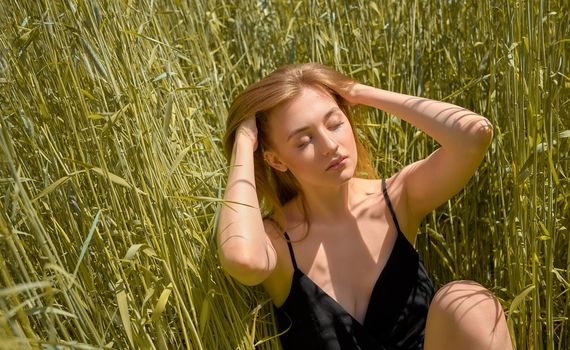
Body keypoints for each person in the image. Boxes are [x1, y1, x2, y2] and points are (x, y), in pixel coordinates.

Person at [217, 63, 513, 350]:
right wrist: (245, 141)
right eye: (305, 141)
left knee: (468, 300)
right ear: (277, 160)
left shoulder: (397, 198)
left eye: (335, 123)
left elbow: (474, 134)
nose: (330, 145)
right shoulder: (277, 240)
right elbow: (241, 259)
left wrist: (357, 91)